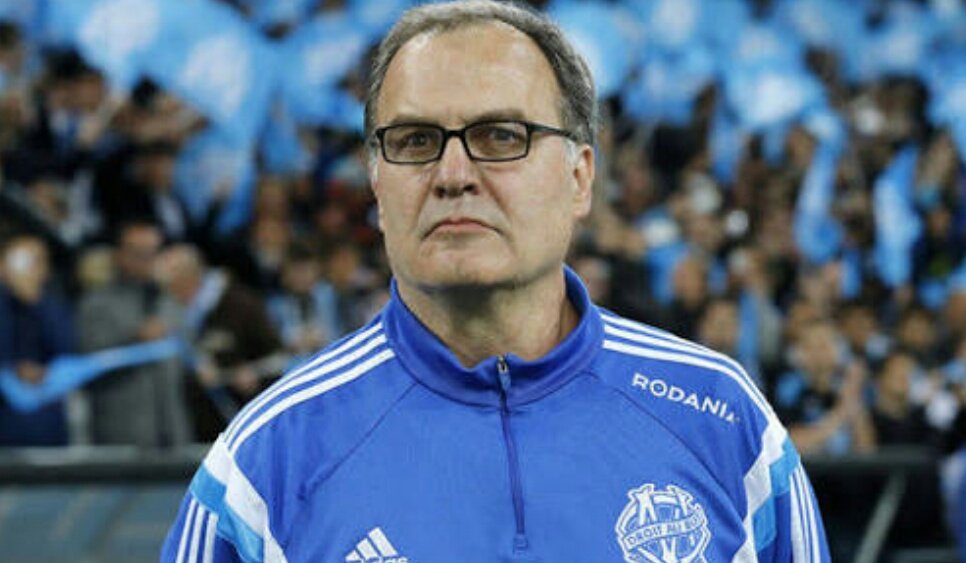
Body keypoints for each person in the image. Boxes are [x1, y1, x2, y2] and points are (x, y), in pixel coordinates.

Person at [163, 2, 830, 561]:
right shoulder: (266, 462)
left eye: (501, 136)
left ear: (580, 177)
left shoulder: (723, 419)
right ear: (377, 183)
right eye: (415, 141)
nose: (454, 174)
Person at [77, 221, 192, 447]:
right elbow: (87, 365)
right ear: (119, 255)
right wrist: (134, 339)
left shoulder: (169, 303)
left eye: (152, 253)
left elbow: (187, 358)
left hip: (172, 433)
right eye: (137, 253)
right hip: (120, 435)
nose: (146, 260)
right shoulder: (97, 304)